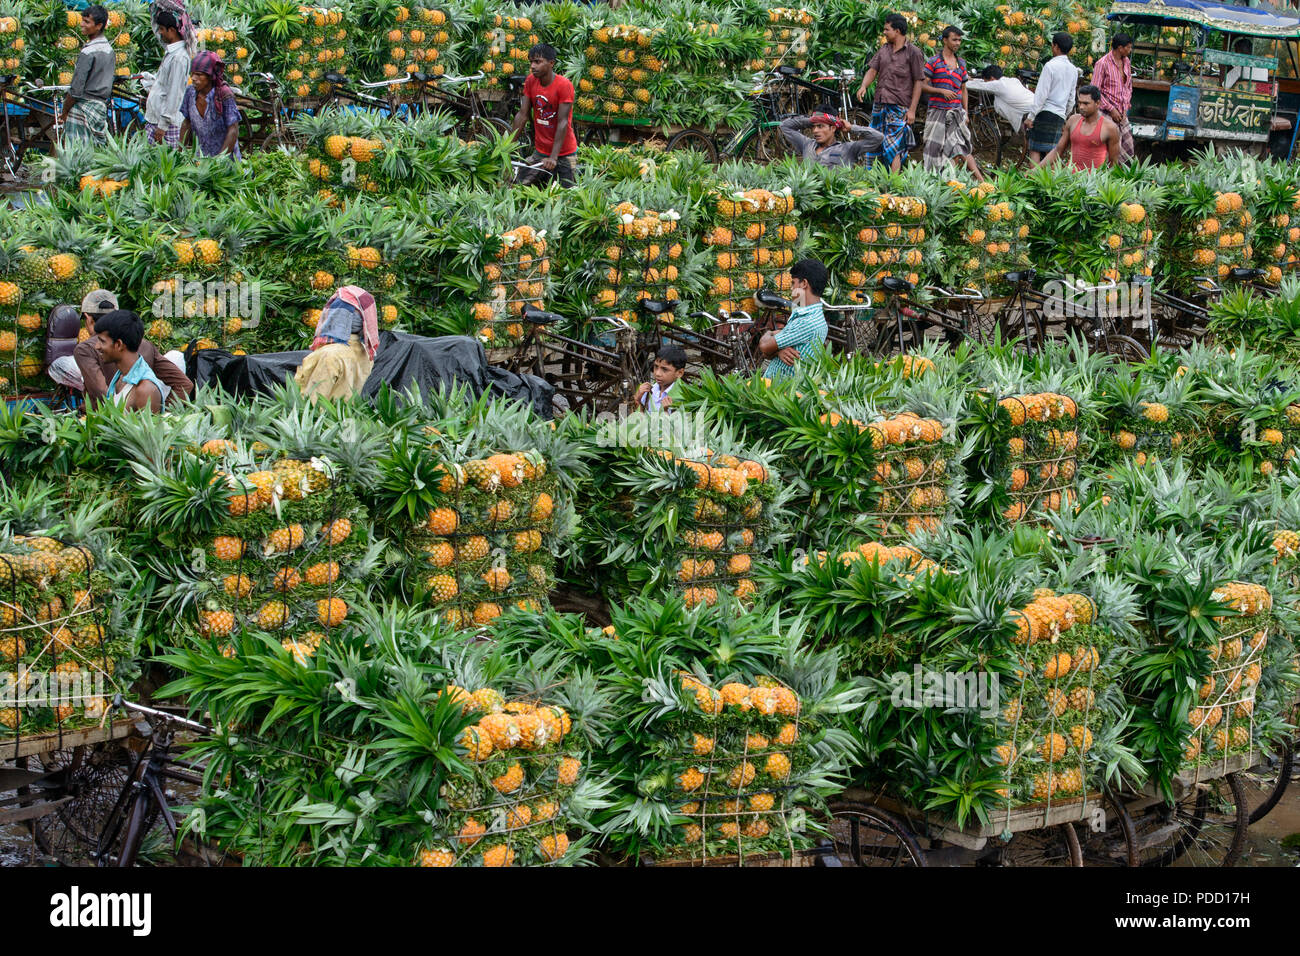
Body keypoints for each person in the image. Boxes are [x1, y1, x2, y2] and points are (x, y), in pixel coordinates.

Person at [48, 290, 192, 409]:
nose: (98, 346)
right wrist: (168, 413)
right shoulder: (145, 345)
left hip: (109, 425)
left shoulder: (84, 349)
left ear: (88, 318)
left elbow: (101, 395)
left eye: (102, 342)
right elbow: (184, 384)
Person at [857, 14, 924, 172]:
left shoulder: (913, 52)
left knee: (892, 148)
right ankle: (873, 180)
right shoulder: (884, 50)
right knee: (873, 143)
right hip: (880, 105)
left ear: (898, 30)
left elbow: (918, 82)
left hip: (899, 106)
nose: (884, 33)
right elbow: (873, 70)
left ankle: (893, 185)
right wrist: (863, 85)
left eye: (887, 29)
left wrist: (912, 110)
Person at [920, 26, 984, 181]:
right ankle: (934, 182)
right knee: (933, 149)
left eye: (960, 40)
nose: (957, 43)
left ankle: (960, 181)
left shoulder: (961, 64)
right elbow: (922, 85)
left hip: (956, 113)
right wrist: (941, 91)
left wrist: (965, 111)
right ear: (945, 40)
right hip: (937, 111)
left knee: (958, 148)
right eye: (954, 39)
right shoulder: (934, 61)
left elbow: (964, 89)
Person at [294, 287, 379, 402]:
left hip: (323, 418)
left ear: (336, 316)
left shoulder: (330, 354)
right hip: (348, 417)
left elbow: (314, 401)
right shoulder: (366, 353)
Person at [510, 43, 578, 188]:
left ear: (551, 63)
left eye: (538, 62)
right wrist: (508, 146)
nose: (533, 66)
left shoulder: (564, 85)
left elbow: (563, 122)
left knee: (568, 195)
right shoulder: (530, 81)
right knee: (519, 186)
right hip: (541, 152)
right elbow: (522, 115)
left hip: (564, 153)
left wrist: (553, 157)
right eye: (531, 62)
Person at [758, 259, 828, 380]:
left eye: (793, 283)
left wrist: (770, 333)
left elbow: (764, 346)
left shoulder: (806, 321)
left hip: (780, 392)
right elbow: (767, 353)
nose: (791, 288)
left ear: (804, 284)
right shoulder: (812, 315)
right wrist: (778, 351)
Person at [90, 310, 172, 412]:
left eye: (102, 341)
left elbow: (149, 427)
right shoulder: (120, 377)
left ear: (119, 344)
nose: (97, 346)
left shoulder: (145, 389)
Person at [59, 5, 114, 146]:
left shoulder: (88, 52)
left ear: (99, 26)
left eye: (87, 22)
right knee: (96, 151)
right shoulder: (109, 49)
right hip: (100, 107)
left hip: (84, 107)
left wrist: (65, 111)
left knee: (78, 154)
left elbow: (76, 89)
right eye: (82, 20)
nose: (82, 24)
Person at [1025, 33, 1080, 165]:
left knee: (1035, 149)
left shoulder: (1050, 66)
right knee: (1054, 151)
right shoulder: (1073, 70)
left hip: (1045, 112)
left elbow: (1041, 95)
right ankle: (1050, 182)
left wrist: (1031, 116)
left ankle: (1033, 181)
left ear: (1055, 46)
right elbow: (1072, 98)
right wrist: (1065, 116)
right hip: (1060, 114)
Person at [1040, 85, 1121, 170]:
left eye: (1086, 103)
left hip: (1093, 180)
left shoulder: (1110, 128)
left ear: (1097, 103)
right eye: (1079, 103)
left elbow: (1113, 162)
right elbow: (1058, 151)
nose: (1081, 107)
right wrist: (1036, 169)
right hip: (1070, 178)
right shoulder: (1073, 120)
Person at [142, 10, 191, 148]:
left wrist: (163, 125)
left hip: (165, 125)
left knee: (163, 164)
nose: (160, 33)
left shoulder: (179, 58)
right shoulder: (172, 53)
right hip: (156, 120)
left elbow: (174, 94)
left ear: (172, 30)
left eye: (162, 29)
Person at [180, 51, 241, 159]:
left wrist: (219, 160)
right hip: (201, 159)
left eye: (199, 74)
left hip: (226, 161)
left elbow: (233, 130)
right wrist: (179, 153)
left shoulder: (224, 95)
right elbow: (186, 123)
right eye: (192, 73)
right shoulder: (190, 92)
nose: (193, 78)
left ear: (210, 76)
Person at [779, 111, 883, 167]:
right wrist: (811, 120)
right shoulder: (806, 144)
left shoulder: (847, 149)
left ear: (833, 128)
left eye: (820, 126)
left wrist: (852, 128)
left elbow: (878, 137)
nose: (815, 131)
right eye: (813, 127)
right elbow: (785, 126)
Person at [1091, 33, 1134, 163]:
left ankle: (1116, 177)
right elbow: (1095, 90)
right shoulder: (1102, 63)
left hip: (1121, 113)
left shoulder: (1126, 62)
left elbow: (1128, 86)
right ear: (1120, 48)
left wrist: (1125, 107)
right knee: (1106, 148)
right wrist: (1111, 109)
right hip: (1106, 112)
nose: (1130, 50)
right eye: (1128, 47)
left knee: (1127, 147)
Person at [966, 65, 1035, 133]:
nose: (986, 83)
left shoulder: (997, 85)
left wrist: (961, 81)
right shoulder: (1012, 80)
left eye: (986, 81)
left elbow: (977, 86)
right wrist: (972, 79)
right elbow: (982, 83)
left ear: (992, 79)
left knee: (1031, 137)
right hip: (1037, 106)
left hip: (1030, 114)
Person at [634, 345, 687, 413]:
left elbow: (683, 423)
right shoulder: (648, 391)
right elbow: (638, 419)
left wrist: (665, 412)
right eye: (656, 367)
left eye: (665, 369)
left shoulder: (682, 397)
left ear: (679, 373)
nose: (657, 373)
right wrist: (637, 400)